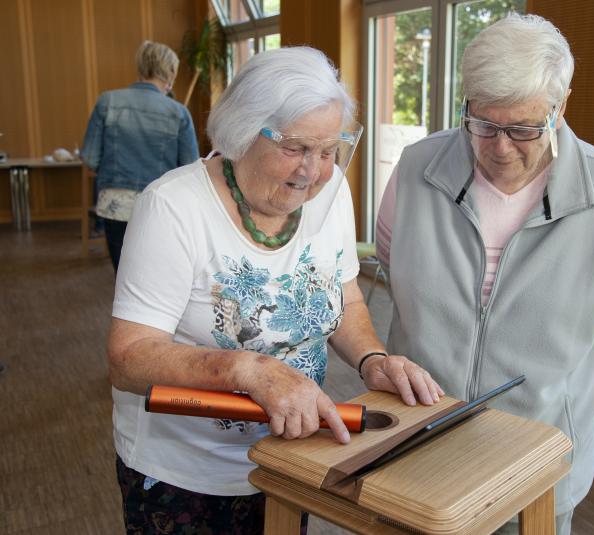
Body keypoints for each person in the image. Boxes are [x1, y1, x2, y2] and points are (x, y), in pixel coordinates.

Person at [106, 46, 443, 535]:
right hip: (186, 472)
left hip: (293, 454)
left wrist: (373, 360)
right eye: (296, 148)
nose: (313, 171)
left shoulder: (330, 192)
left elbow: (344, 297)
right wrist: (250, 369)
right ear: (243, 134)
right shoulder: (173, 207)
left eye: (329, 151)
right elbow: (128, 359)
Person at [375, 14, 594, 535]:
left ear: (561, 106)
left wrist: (549, 331)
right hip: (420, 436)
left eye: (523, 128)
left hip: (535, 446)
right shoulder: (417, 169)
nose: (500, 147)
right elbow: (393, 261)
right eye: (483, 123)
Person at [81, 40, 199, 272]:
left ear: (140, 66)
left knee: (123, 274)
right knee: (156, 275)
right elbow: (190, 167)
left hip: (115, 203)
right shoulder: (178, 113)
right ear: (171, 72)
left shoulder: (108, 101)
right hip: (160, 204)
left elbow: (89, 157)